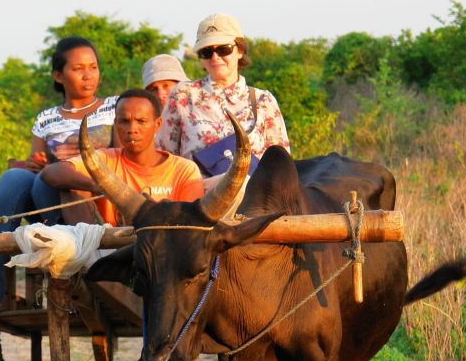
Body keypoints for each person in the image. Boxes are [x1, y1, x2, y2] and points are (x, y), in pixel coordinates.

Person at [0, 36, 118, 336]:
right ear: (58, 75)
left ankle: (70, 254)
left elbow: (123, 160)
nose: (89, 75)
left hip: (95, 203)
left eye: (93, 67)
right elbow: (35, 164)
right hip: (50, 202)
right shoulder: (46, 119)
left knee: (48, 176)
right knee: (16, 178)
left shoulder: (114, 109)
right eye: (78, 68)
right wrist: (35, 162)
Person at [40, 88, 205, 227]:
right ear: (116, 124)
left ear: (157, 124)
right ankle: (88, 258)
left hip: (163, 254)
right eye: (124, 121)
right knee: (71, 187)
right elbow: (51, 173)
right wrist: (100, 185)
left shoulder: (184, 170)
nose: (132, 129)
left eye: (141, 121)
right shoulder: (104, 160)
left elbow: (190, 225)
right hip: (110, 254)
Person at [156, 13, 290, 177]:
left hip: (251, 199)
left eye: (223, 49)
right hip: (197, 197)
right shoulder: (183, 95)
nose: (215, 57)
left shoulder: (264, 101)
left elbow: (282, 165)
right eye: (206, 52)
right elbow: (162, 157)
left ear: (239, 50)